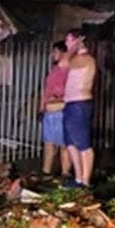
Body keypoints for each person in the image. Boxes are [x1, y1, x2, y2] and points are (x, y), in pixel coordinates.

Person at [59, 29, 96, 188]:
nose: (67, 44)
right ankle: (78, 178)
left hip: (80, 104)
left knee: (83, 144)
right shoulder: (77, 59)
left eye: (69, 40)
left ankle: (86, 180)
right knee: (70, 143)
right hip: (70, 104)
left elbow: (63, 63)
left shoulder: (86, 59)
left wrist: (74, 48)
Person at [40, 41, 72, 181]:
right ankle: (46, 172)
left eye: (56, 52)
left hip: (60, 110)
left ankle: (65, 172)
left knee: (63, 144)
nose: (53, 55)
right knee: (49, 144)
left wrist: (57, 98)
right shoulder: (55, 70)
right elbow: (47, 90)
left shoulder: (68, 71)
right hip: (51, 110)